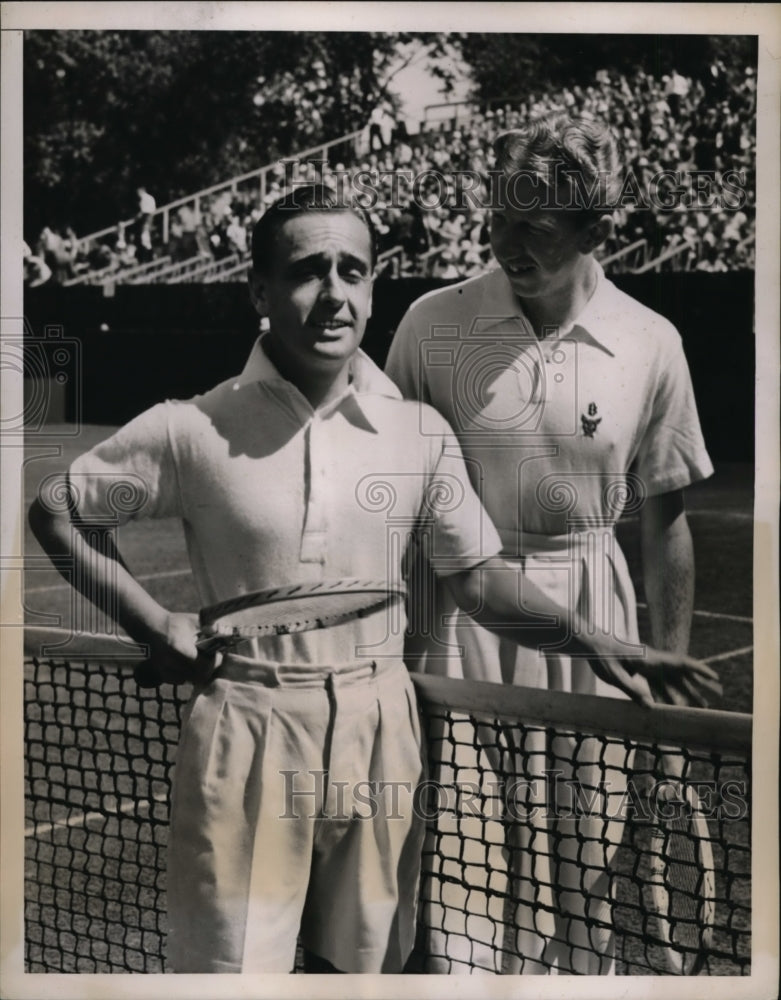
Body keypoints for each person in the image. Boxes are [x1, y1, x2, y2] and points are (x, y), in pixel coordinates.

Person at [29, 185, 718, 976]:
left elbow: (479, 581)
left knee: (370, 975)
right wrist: (154, 621)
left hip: (381, 732)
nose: (333, 294)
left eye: (351, 271)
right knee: (228, 974)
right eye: (306, 271)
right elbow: (58, 510)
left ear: (371, 285)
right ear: (258, 289)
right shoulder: (193, 427)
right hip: (249, 727)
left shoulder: (417, 430)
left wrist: (596, 641)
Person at [385, 115, 715, 974]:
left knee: (586, 909)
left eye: (531, 227)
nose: (502, 242)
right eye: (496, 216)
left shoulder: (652, 342)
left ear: (594, 230)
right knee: (458, 898)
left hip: (594, 628)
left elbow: (664, 526)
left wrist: (664, 706)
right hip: (459, 625)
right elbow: (387, 503)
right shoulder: (427, 324)